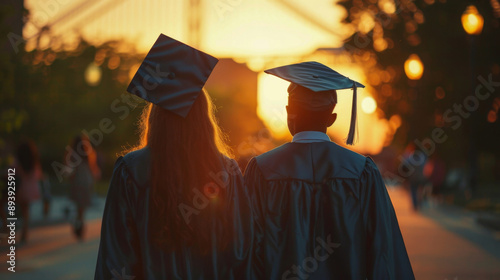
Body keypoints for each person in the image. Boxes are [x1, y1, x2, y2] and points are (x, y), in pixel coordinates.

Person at [95, 34, 253, 279]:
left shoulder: (130, 171)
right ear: (203, 119)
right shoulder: (227, 173)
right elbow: (242, 255)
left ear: (155, 118)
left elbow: (115, 259)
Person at [244, 61, 415, 279]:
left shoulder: (262, 171)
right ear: (332, 118)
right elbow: (382, 247)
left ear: (289, 113)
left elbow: (246, 249)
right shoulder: (362, 171)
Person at [68, 134, 100, 240]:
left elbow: (70, 171)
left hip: (77, 183)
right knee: (82, 209)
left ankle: (78, 227)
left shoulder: (72, 155)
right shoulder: (89, 154)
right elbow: (94, 171)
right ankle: (80, 228)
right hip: (86, 182)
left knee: (79, 208)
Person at [15, 140, 42, 243]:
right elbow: (38, 174)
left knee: (22, 209)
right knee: (26, 210)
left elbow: (12, 170)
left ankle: (22, 230)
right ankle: (24, 230)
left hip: (22, 188)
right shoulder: (33, 161)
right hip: (31, 188)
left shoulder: (18, 161)